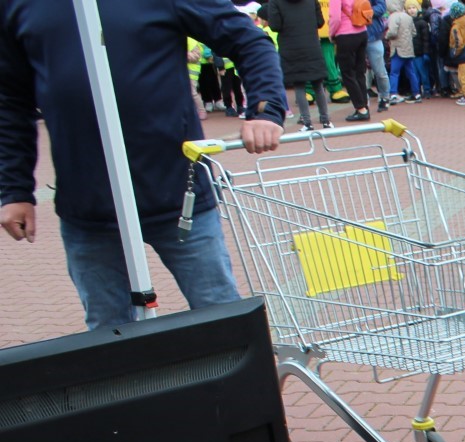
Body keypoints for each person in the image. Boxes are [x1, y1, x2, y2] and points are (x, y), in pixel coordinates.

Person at [0, 0, 285, 330]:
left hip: (178, 197)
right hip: (88, 208)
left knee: (221, 321)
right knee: (109, 335)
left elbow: (248, 39)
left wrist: (265, 109)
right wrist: (14, 190)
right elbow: (9, 100)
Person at [263, 0, 335, 127]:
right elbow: (320, 22)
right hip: (311, 44)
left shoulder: (275, 2)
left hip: (290, 47)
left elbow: (275, 25)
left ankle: (307, 122)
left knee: (299, 85)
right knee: (318, 84)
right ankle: (325, 120)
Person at [331, 0, 373, 120]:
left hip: (345, 34)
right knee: (360, 72)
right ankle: (364, 105)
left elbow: (335, 18)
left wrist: (331, 34)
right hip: (362, 31)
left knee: (348, 73)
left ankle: (361, 109)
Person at [384, 0, 421, 101]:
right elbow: (414, 32)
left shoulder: (393, 17)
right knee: (411, 72)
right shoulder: (408, 17)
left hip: (397, 49)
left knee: (394, 72)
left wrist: (386, 36)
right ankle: (416, 93)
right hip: (408, 49)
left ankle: (393, 94)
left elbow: (392, 32)